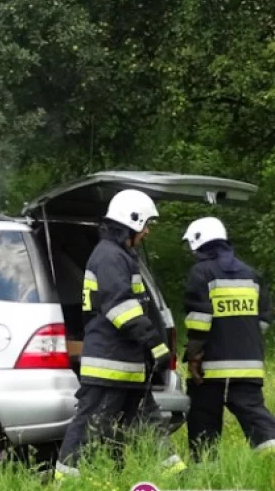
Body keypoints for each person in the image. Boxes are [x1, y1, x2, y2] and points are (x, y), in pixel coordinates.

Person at [54, 189, 187, 481]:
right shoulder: (110, 257)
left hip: (126, 364)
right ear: (132, 221)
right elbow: (120, 308)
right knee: (91, 424)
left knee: (148, 422)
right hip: (109, 364)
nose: (148, 230)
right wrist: (154, 343)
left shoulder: (121, 256)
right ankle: (65, 481)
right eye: (146, 224)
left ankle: (178, 478)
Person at [181, 217, 275, 460]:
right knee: (255, 416)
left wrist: (193, 357)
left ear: (197, 242)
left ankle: (205, 472)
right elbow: (264, 319)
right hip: (250, 365)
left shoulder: (201, 272)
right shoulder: (251, 274)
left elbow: (198, 321)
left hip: (211, 368)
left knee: (203, 418)